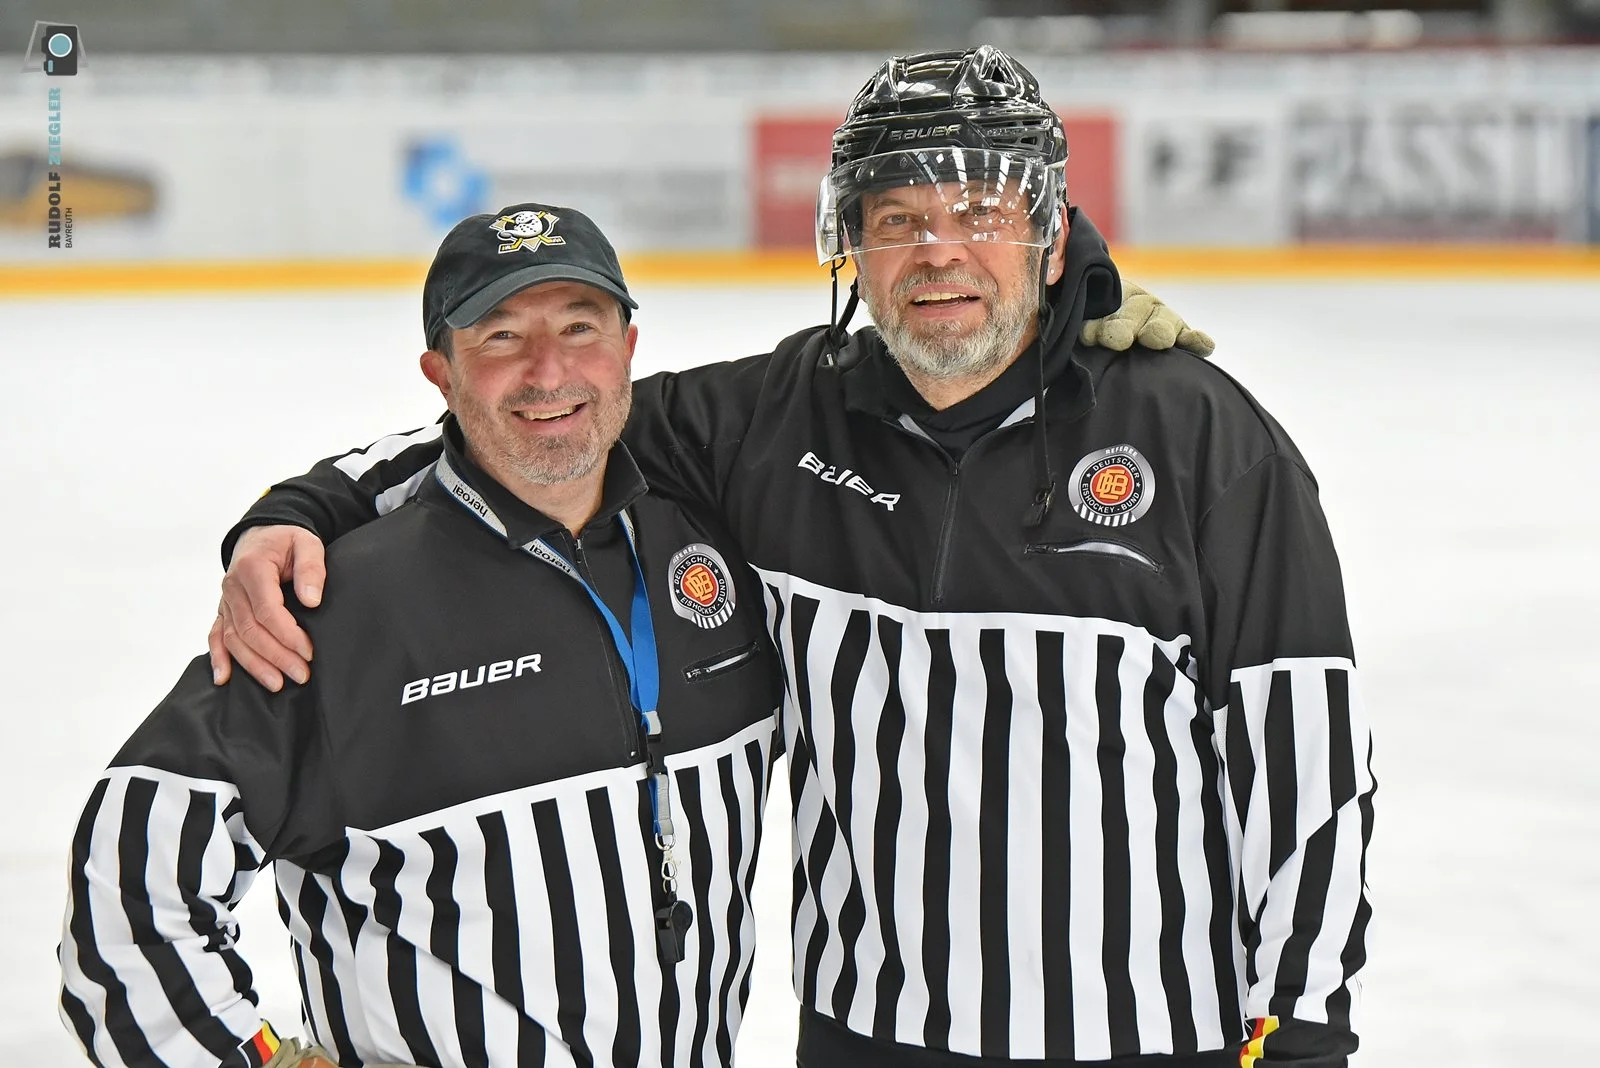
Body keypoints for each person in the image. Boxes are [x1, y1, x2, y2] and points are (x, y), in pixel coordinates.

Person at [212, 47, 1374, 1068]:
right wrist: (304, 506)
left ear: (1052, 234)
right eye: (898, 218)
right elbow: (540, 421)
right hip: (867, 1035)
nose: (938, 251)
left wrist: (1303, 1027)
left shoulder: (1201, 436)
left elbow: (1303, 763)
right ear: (848, 244)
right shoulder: (773, 421)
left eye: (980, 212)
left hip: (1155, 1036)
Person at [59, 204, 785, 1068]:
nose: (548, 371)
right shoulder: (336, 601)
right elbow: (127, 889)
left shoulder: (720, 547)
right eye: (501, 338)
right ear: (441, 374)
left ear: (629, 348)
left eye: (579, 327)